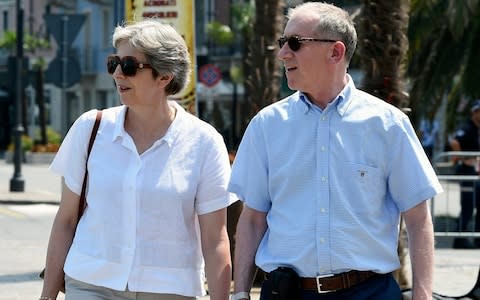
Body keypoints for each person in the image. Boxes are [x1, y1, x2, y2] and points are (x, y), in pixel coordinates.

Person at [228, 2, 443, 300]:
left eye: (294, 43)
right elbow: (252, 219)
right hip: (287, 294)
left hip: (371, 293)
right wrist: (239, 294)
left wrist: (422, 295)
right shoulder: (266, 125)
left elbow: (418, 218)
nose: (282, 54)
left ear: (335, 52)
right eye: (282, 43)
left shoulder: (389, 125)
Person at [40, 19, 233, 300]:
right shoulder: (90, 128)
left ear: (164, 77)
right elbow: (66, 220)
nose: (118, 74)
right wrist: (47, 296)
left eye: (129, 66)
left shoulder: (204, 142)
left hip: (169, 290)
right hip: (90, 284)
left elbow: (215, 239)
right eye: (113, 63)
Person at [449, 99, 480, 249]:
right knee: (467, 206)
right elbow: (454, 142)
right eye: (478, 111)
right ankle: (459, 239)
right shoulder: (467, 127)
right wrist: (463, 158)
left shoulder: (477, 129)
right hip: (467, 173)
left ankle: (477, 239)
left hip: (476, 174)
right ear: (474, 113)